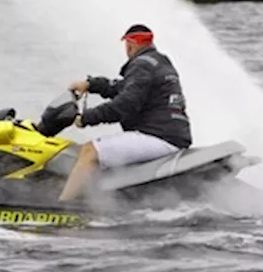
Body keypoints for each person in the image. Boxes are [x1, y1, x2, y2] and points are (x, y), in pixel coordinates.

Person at [58, 24, 191, 202]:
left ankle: (63, 206)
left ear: (130, 44)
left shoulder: (141, 65)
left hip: (158, 137)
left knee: (90, 151)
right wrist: (90, 85)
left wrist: (87, 118)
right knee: (104, 153)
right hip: (172, 136)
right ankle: (101, 198)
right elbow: (121, 88)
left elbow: (125, 104)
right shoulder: (158, 62)